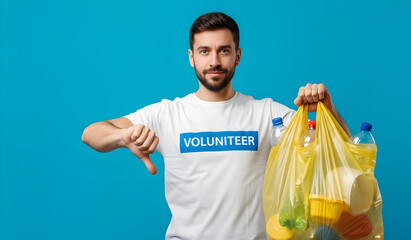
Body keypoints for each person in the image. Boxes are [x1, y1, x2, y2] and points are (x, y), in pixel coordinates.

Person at [82, 12, 350, 240]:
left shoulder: (267, 113)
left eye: (224, 50)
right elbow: (91, 133)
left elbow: (344, 152)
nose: (214, 61)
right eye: (204, 51)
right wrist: (122, 136)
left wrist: (327, 110)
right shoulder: (167, 114)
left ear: (238, 56)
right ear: (191, 57)